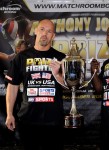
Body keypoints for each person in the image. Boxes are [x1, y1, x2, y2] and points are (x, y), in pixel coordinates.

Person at [5, 19, 66, 150]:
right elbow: (13, 86)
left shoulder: (61, 58)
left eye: (49, 31)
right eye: (42, 29)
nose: (45, 34)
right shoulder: (21, 57)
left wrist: (58, 75)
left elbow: (68, 86)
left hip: (53, 121)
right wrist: (9, 114)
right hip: (28, 120)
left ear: (53, 36)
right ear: (35, 31)